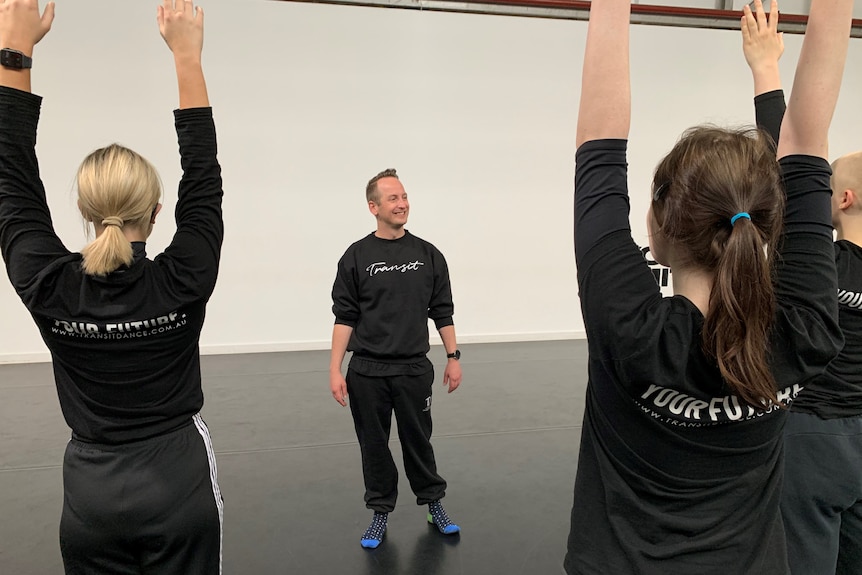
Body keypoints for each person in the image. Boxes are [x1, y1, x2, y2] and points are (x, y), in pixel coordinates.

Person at [564, 0, 850, 572]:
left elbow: (600, 138)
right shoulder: (803, 333)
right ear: (770, 223)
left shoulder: (629, 328)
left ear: (659, 226)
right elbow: (807, 144)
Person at [0, 1, 224, 572]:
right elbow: (203, 174)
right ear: (155, 211)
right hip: (179, 486)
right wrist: (187, 56)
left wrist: (14, 52)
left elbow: (9, 173)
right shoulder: (184, 278)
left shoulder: (48, 285)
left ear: (83, 211)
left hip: (91, 499)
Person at [744, 7, 862, 569]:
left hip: (814, 438)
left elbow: (792, 160)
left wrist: (765, 68)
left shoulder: (818, 266)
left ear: (840, 200)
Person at [330, 168, 462, 549]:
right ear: (373, 207)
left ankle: (433, 503)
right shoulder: (356, 256)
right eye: (393, 198)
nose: (402, 203)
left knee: (419, 440)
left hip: (413, 369)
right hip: (367, 371)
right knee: (373, 444)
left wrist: (453, 356)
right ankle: (380, 512)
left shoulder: (428, 255)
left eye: (404, 196)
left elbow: (443, 310)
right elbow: (344, 317)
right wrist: (334, 368)